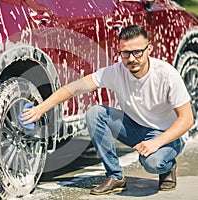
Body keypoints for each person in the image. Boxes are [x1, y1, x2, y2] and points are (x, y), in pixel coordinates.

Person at [20, 25, 194, 195]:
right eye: (125, 53)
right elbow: (74, 88)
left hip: (166, 134)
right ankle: (115, 177)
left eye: (137, 52)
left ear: (149, 49)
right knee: (95, 113)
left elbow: (187, 119)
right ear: (119, 52)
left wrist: (156, 142)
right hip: (134, 129)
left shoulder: (166, 74)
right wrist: (41, 108)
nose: (131, 58)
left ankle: (168, 165)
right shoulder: (115, 72)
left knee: (152, 163)